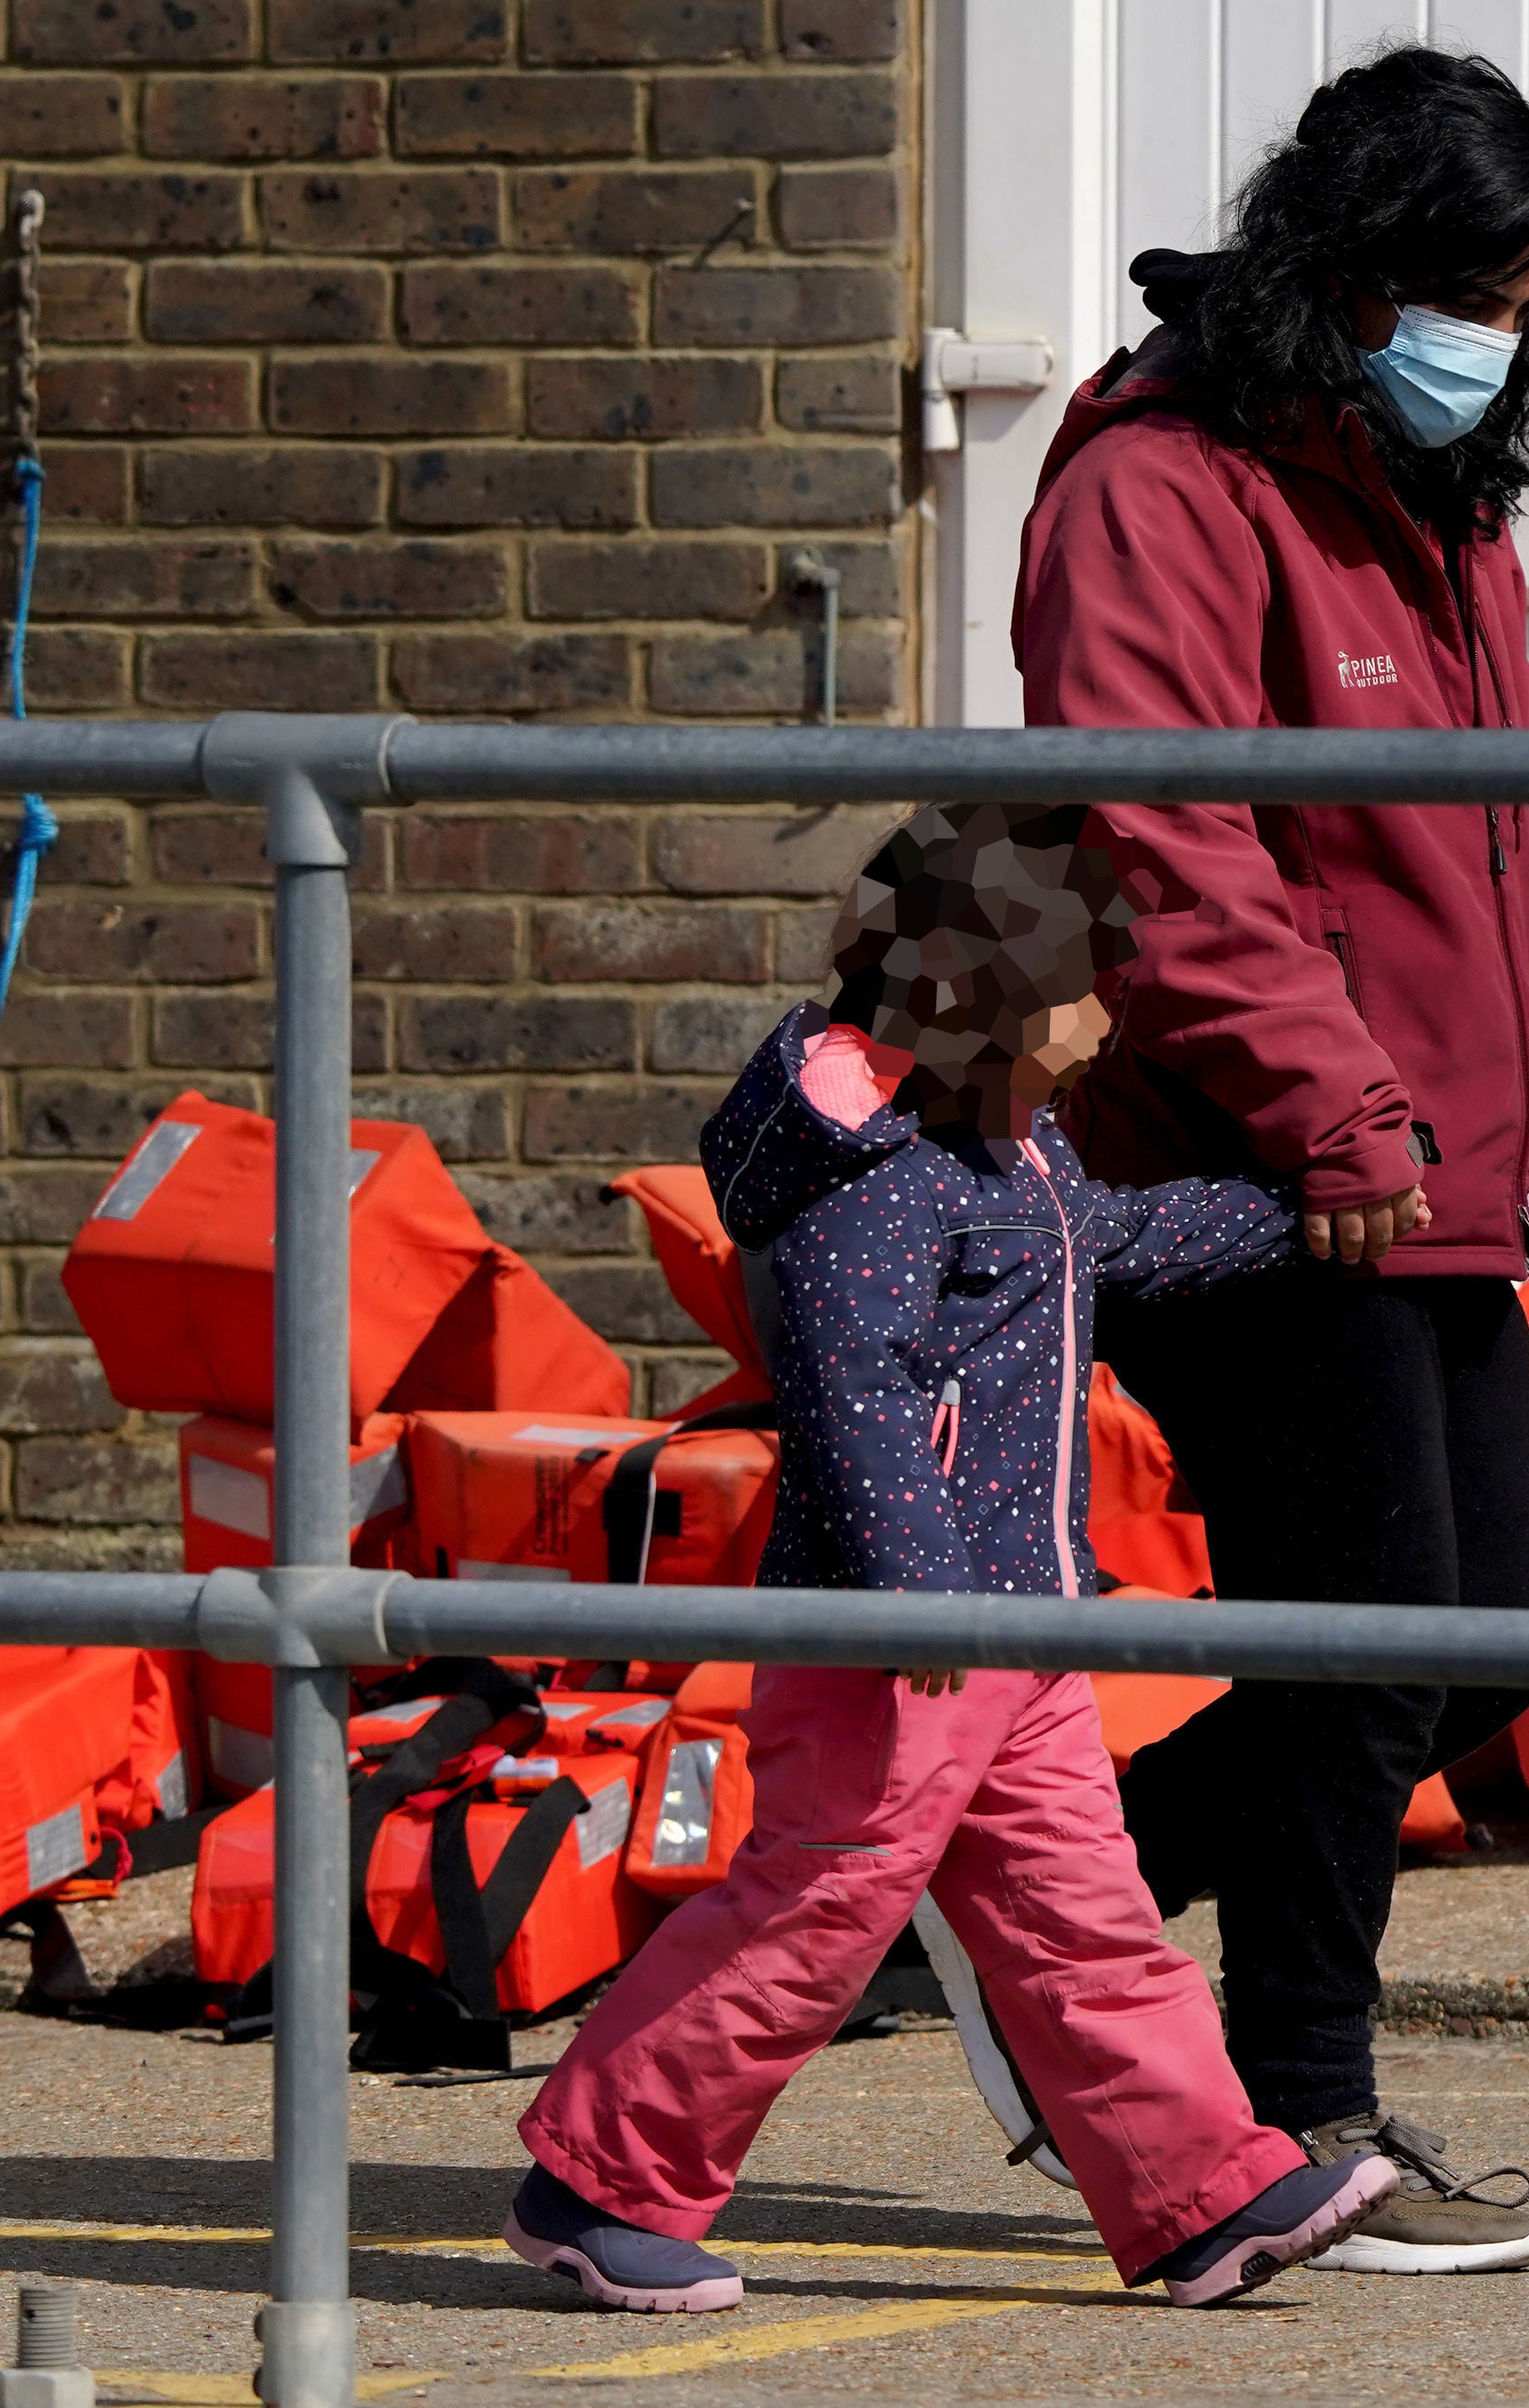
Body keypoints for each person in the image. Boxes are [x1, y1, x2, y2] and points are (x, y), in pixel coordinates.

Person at [1002, 45, 1529, 2277]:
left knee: (1480, 1652)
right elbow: (1162, 839)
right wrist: (1338, 1109)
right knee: (1371, 1643)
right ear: (1350, 267)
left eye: (1528, 302)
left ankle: (1014, 1910)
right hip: (1247, 1174)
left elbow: (1512, 834)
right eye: (1475, 293)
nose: (1501, 341)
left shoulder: (1433, 487)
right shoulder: (1157, 486)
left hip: (1424, 1171)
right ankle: (1296, 2115)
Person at [504, 804, 1399, 2314]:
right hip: (902, 1637)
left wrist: (1295, 1219)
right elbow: (852, 1391)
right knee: (816, 1909)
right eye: (1089, 990)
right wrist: (919, 1589)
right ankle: (600, 2183)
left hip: (1024, 1627)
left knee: (1085, 1916)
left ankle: (1206, 2197)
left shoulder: (1010, 1148)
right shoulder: (878, 1178)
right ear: (979, 995)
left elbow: (1112, 1243)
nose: (1114, 1017)